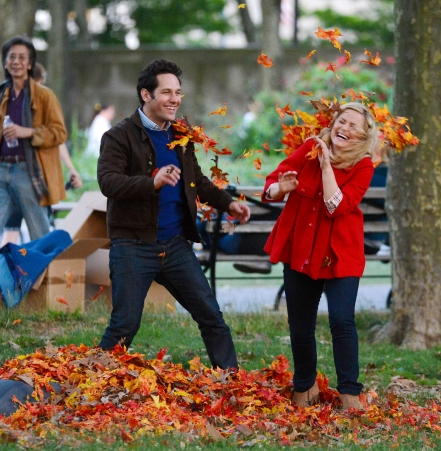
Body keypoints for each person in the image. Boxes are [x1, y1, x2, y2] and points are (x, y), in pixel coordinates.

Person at [97, 59, 250, 370]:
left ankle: (232, 381)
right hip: (133, 245)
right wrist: (151, 182)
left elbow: (197, 180)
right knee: (124, 325)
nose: (175, 99)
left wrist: (228, 204)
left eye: (178, 92)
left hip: (176, 245)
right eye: (166, 92)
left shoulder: (181, 134)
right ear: (146, 94)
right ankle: (91, 378)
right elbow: (108, 182)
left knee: (211, 316)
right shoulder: (119, 136)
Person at [262, 102, 378, 410]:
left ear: (363, 136)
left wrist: (327, 167)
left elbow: (336, 206)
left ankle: (349, 392)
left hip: (340, 254)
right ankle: (305, 385)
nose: (344, 128)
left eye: (353, 125)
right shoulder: (310, 148)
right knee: (301, 324)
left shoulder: (363, 166)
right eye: (342, 121)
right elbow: (271, 184)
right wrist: (280, 189)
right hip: (301, 249)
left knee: (341, 320)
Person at [1, 63, 82, 247]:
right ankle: (10, 260)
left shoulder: (43, 104)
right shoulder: (11, 103)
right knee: (14, 229)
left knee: (32, 230)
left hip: (35, 176)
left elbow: (56, 140)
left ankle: (25, 260)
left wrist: (71, 169)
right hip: (17, 172)